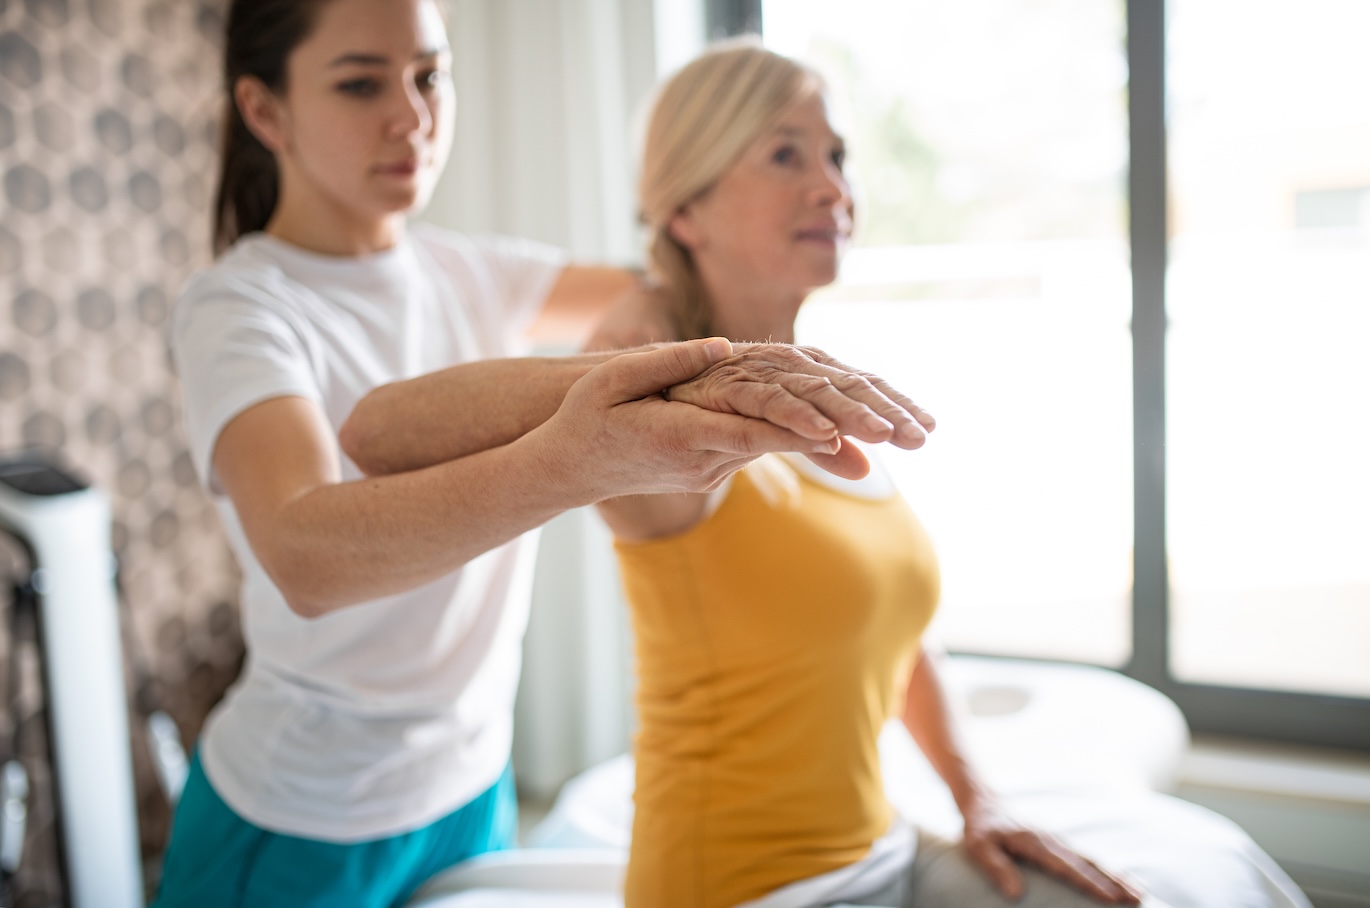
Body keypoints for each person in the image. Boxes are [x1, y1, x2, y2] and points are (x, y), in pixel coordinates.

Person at [152, 3, 937, 907]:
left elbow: (683, 288)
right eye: (362, 83)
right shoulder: (240, 306)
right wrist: (583, 452)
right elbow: (305, 553)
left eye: (431, 76)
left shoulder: (474, 271)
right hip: (308, 810)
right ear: (265, 112)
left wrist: (779, 262)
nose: (411, 116)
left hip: (474, 784)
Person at [585, 40, 1315, 908]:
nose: (833, 187)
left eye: (838, 156)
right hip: (742, 888)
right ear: (685, 212)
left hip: (884, 852)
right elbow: (604, 371)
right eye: (786, 154)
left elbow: (900, 632)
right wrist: (651, 309)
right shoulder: (664, 422)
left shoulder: (827, 399)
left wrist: (977, 797)